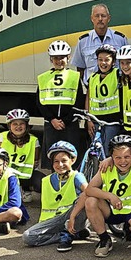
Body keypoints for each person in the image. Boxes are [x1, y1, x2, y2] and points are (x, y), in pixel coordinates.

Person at [84, 135, 131, 257]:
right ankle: (104, 239)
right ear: (111, 157)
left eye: (127, 157)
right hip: (111, 210)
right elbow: (90, 189)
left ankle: (128, 228)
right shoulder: (106, 166)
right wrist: (110, 196)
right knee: (90, 201)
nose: (123, 161)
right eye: (117, 157)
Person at [22, 141, 90, 252]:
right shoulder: (46, 180)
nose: (60, 165)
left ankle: (68, 234)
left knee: (85, 197)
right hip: (53, 220)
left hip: (72, 216)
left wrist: (72, 216)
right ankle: (70, 235)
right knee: (28, 237)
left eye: (64, 161)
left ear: (72, 160)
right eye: (56, 162)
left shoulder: (77, 176)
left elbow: (89, 192)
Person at [37, 40, 85, 169]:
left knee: (71, 155)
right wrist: (52, 119)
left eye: (62, 57)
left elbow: (79, 100)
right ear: (51, 59)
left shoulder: (74, 77)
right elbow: (40, 102)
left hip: (69, 123)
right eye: (55, 58)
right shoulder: (44, 78)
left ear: (68, 58)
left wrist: (66, 120)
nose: (59, 61)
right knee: (53, 155)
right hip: (51, 124)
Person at [71, 3, 128, 85]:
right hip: (92, 89)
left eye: (103, 16)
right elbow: (80, 68)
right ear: (92, 18)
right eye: (97, 16)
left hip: (116, 88)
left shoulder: (120, 39)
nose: (100, 19)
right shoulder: (83, 41)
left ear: (109, 18)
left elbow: (128, 63)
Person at [85, 44, 124, 156]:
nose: (103, 63)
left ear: (113, 61)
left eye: (107, 60)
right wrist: (88, 120)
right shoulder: (92, 78)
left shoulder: (118, 74)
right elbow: (88, 98)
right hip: (96, 120)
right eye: (100, 60)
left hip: (112, 121)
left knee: (108, 151)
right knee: (95, 151)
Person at [0, 109, 42, 203]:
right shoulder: (2, 137)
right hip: (6, 175)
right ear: (9, 126)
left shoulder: (34, 140)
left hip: (25, 175)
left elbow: (35, 162)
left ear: (26, 125)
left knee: (42, 183)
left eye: (21, 123)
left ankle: (26, 189)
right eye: (15, 124)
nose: (18, 126)